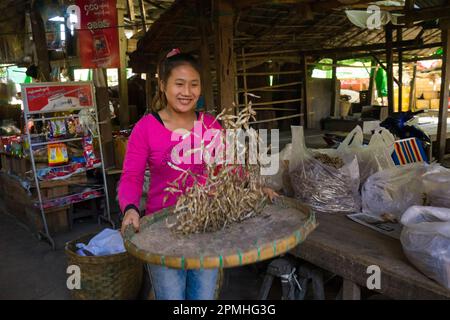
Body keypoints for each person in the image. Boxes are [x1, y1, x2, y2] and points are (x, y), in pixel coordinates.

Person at [118, 49, 277, 300]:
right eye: (179, 84)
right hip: (163, 231)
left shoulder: (210, 125)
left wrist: (254, 185)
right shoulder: (146, 128)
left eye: (194, 85)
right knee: (171, 297)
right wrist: (130, 208)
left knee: (202, 297)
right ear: (163, 85)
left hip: (207, 228)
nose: (187, 92)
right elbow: (131, 176)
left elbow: (227, 168)